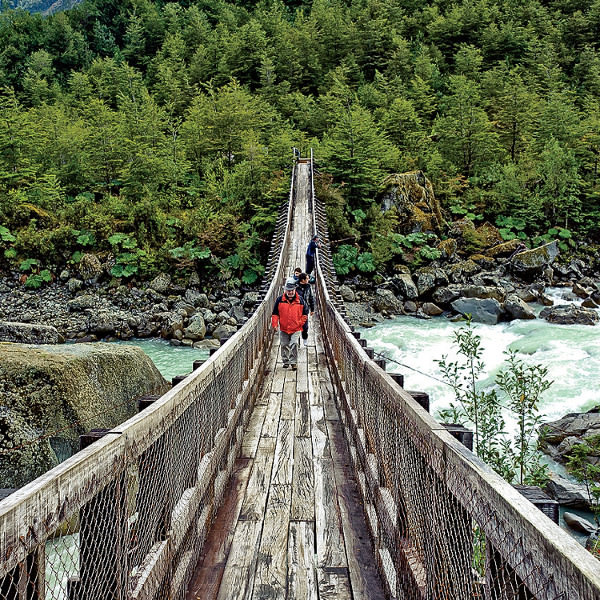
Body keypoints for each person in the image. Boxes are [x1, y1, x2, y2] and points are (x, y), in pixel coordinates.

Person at [271, 277, 308, 369]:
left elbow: (305, 313)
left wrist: (300, 323)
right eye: (288, 291)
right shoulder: (280, 300)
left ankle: (293, 362)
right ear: (285, 290)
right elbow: (275, 313)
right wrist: (274, 324)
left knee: (294, 343)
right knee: (284, 344)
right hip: (284, 327)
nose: (290, 292)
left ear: (295, 290)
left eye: (292, 290)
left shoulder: (300, 300)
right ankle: (286, 361)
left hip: (296, 327)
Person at [296, 272, 314, 347]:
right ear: (303, 280)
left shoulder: (308, 287)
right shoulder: (295, 287)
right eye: (307, 278)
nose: (308, 279)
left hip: (305, 310)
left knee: (305, 326)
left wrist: (312, 309)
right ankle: (296, 342)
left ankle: (304, 339)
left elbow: (311, 298)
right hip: (296, 310)